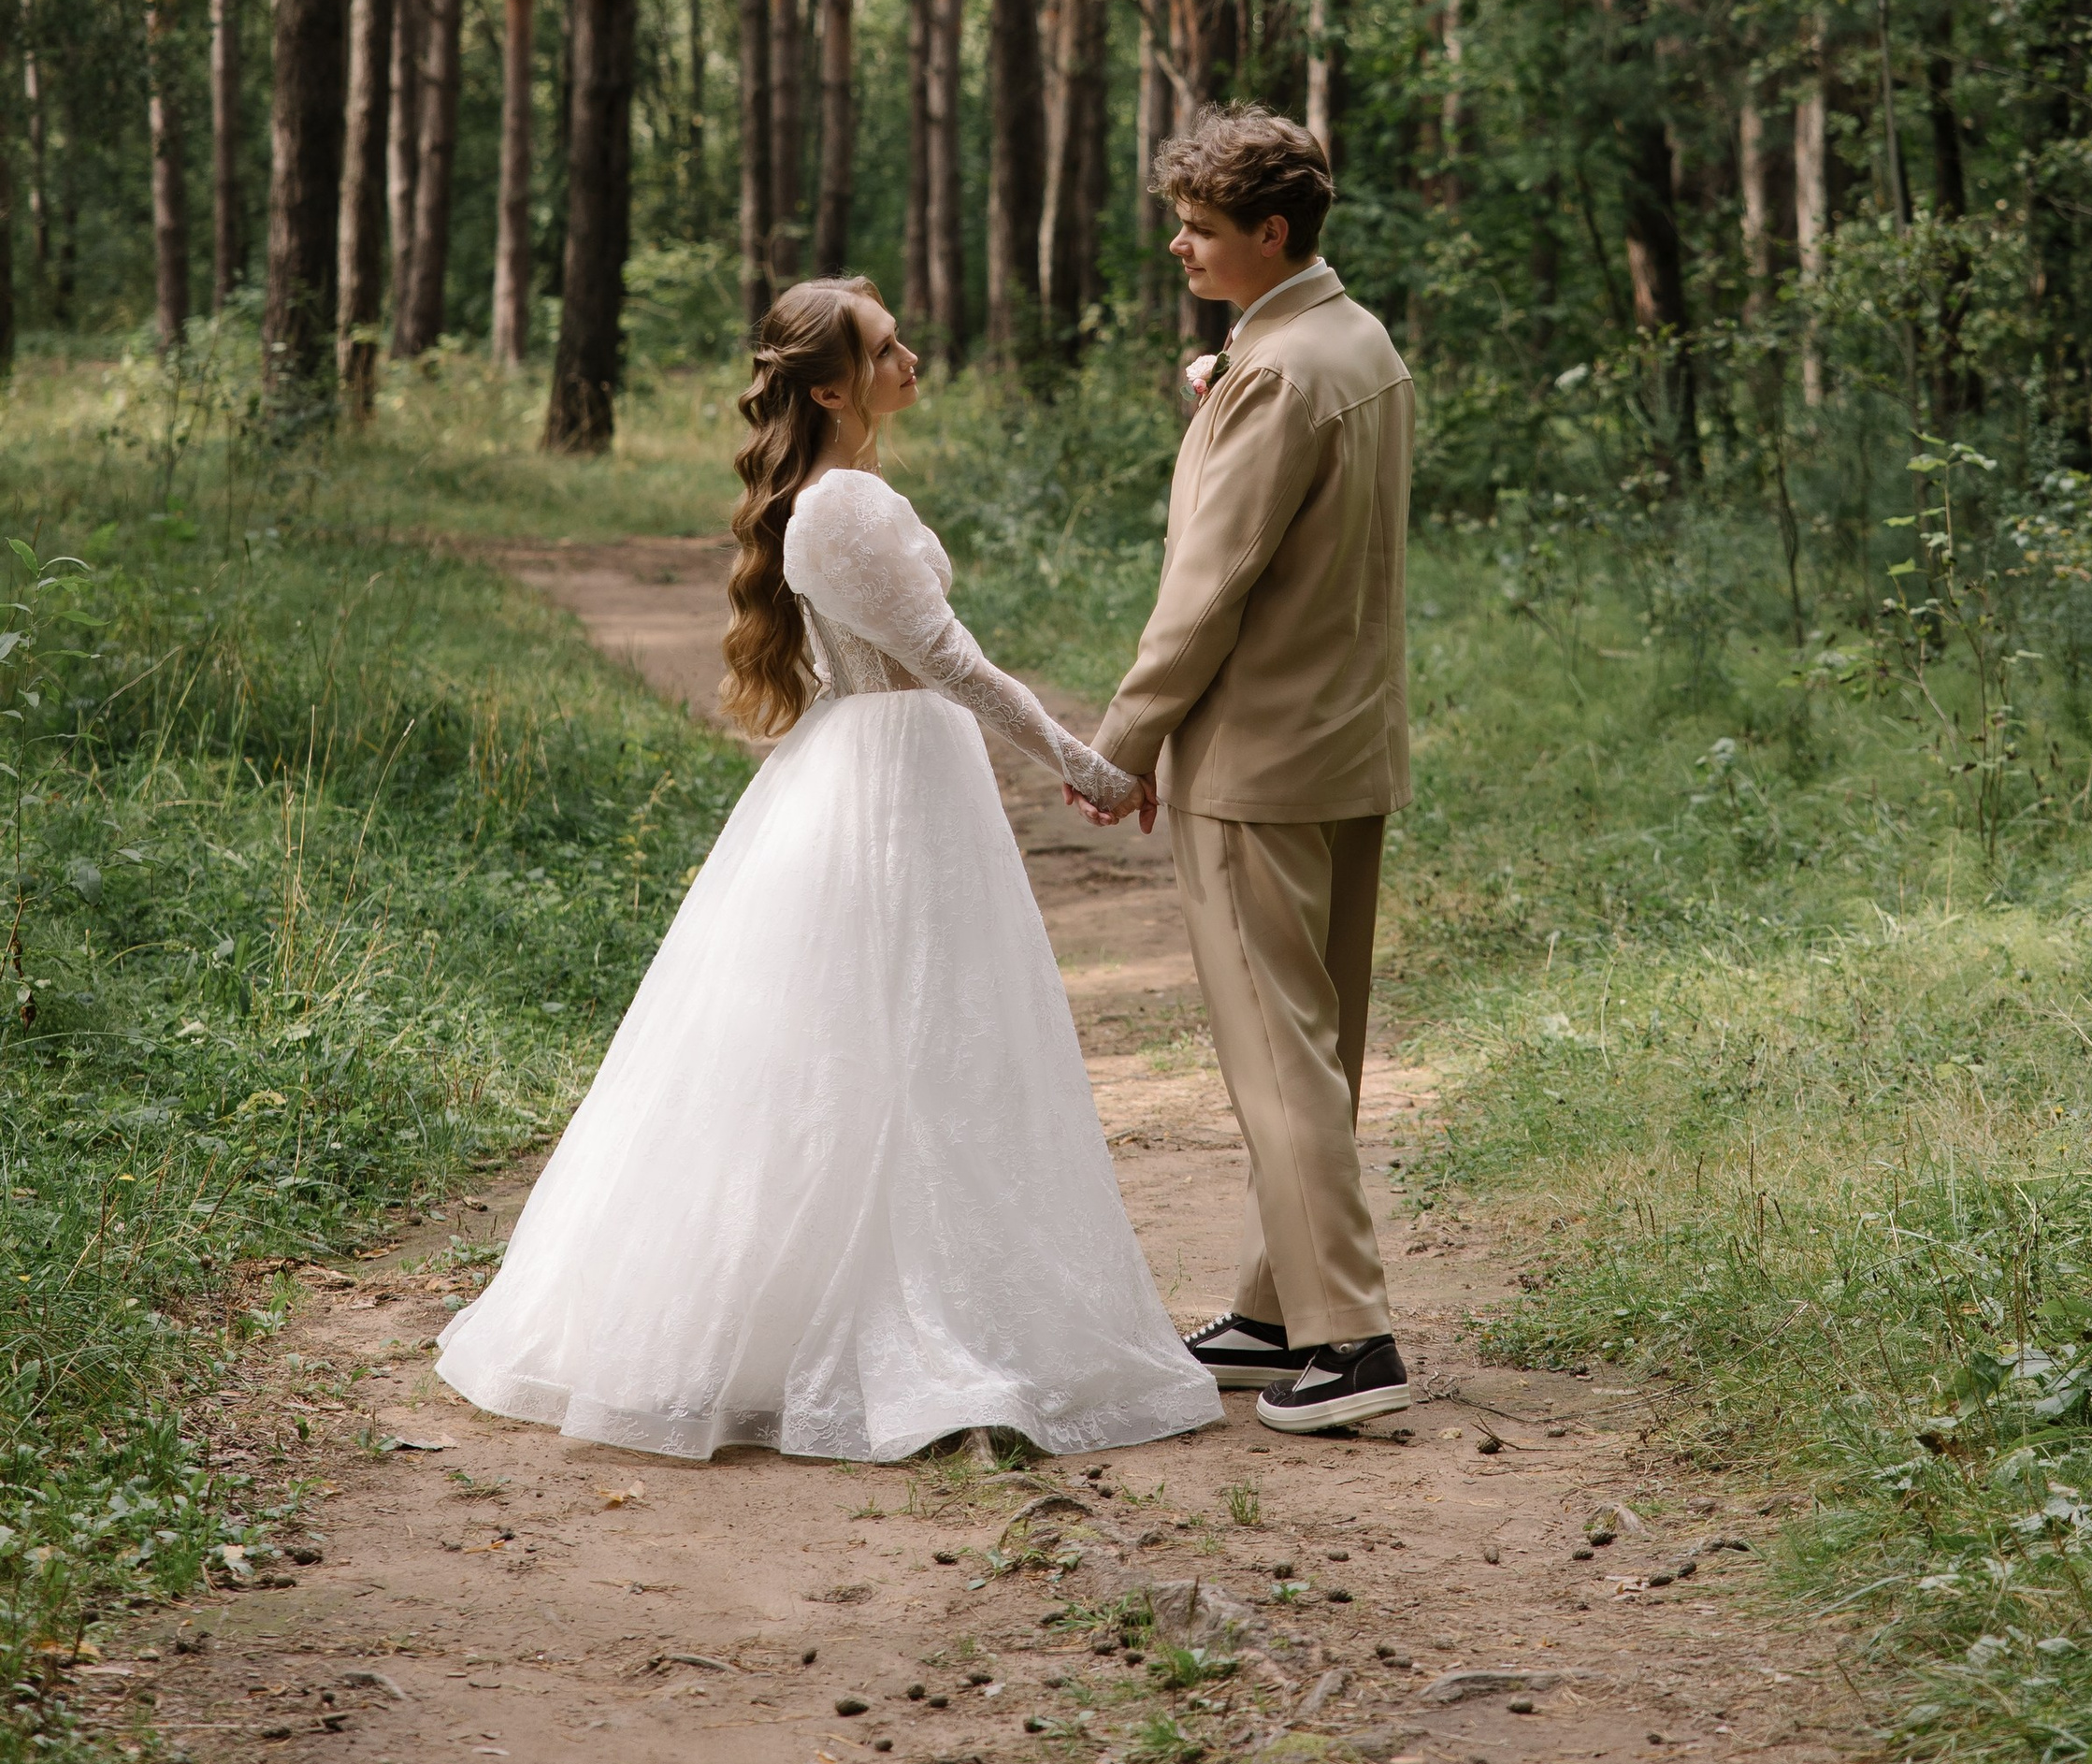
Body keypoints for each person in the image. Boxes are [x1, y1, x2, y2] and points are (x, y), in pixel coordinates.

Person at [436, 281, 1220, 1466]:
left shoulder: (848, 494)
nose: (912, 353)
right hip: (890, 782)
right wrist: (1088, 764)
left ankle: (942, 1285)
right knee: (878, 1039)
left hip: (904, 770)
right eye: (885, 345)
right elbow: (950, 660)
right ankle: (854, 1324)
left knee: (933, 1038)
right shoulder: (841, 506)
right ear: (830, 388)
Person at [1085, 106, 1416, 1438]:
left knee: (1278, 1058)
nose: (1179, 245)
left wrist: (1121, 744)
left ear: (1270, 234)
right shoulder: (1353, 342)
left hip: (1259, 758)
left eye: (1201, 229)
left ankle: (1352, 1342)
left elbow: (1207, 586)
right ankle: (1280, 1313)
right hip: (1346, 742)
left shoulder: (1278, 371)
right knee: (1315, 1050)